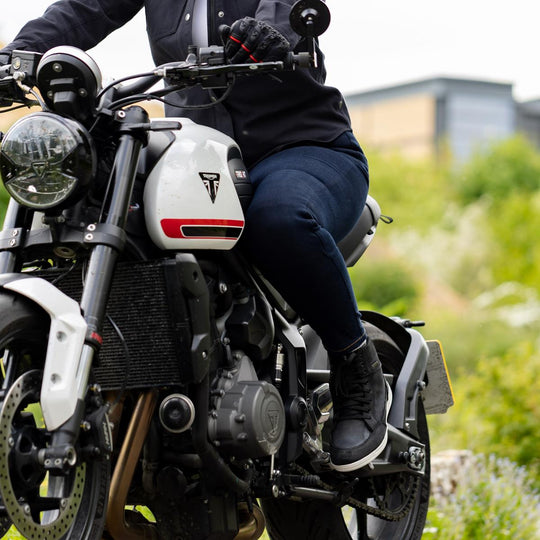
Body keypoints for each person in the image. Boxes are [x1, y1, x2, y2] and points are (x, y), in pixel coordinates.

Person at [0, 0, 390, 472]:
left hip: (303, 148)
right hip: (201, 152)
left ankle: (356, 364)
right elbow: (88, 8)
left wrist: (267, 35)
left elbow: (283, 12)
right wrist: (18, 54)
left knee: (278, 220)